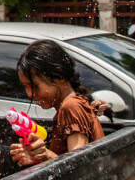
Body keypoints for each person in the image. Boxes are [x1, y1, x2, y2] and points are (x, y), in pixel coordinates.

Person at [9, 39, 105, 167]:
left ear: (59, 76)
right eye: (25, 87)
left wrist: (46, 155)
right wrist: (38, 157)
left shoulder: (71, 106)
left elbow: (77, 168)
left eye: (34, 86)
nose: (30, 94)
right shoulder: (71, 105)